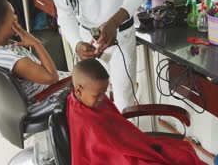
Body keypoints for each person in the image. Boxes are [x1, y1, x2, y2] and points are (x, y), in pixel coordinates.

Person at [68, 58, 207, 165]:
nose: (101, 99)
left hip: (130, 144)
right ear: (78, 90)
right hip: (121, 157)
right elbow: (103, 154)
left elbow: (117, 128)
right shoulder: (84, 122)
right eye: (97, 95)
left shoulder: (85, 96)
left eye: (103, 93)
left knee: (183, 151)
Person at [0, 0, 70, 101]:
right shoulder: (14, 61)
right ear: (0, 24)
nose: (16, 17)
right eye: (13, 14)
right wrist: (36, 43)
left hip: (44, 86)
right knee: (88, 83)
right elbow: (52, 78)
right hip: (45, 96)